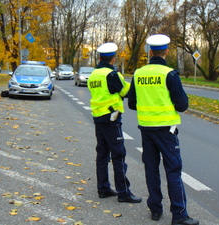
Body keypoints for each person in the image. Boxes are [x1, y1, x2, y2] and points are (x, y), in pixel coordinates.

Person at [128, 34, 199, 225]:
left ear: (150, 52)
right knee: (173, 171)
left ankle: (155, 210)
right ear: (166, 51)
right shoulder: (170, 74)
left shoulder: (138, 73)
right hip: (166, 131)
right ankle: (179, 215)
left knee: (151, 169)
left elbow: (132, 104)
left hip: (146, 129)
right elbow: (182, 105)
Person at [87, 42, 142, 203]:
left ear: (99, 58)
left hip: (98, 117)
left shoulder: (94, 74)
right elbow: (125, 91)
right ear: (114, 58)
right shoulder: (112, 75)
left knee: (102, 154)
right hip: (112, 118)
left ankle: (103, 189)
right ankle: (124, 192)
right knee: (119, 155)